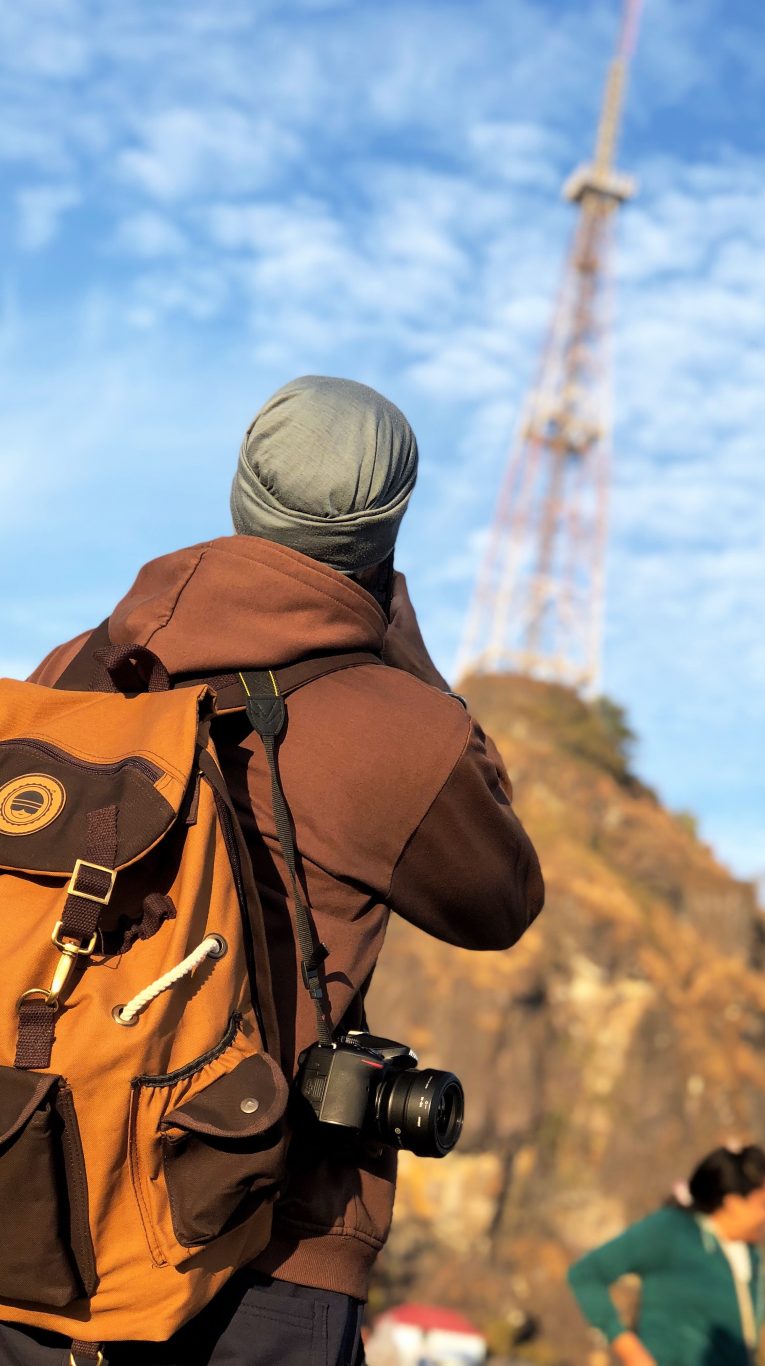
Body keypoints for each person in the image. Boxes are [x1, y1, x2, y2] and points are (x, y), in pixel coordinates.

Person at [2, 376, 545, 1365]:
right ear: (387, 529)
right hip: (268, 1241)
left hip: (36, 1204)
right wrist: (412, 661)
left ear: (241, 490)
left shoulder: (70, 674)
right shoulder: (401, 729)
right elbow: (501, 899)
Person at [567, 1144, 765, 1366]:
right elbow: (585, 1275)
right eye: (764, 1204)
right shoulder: (672, 1230)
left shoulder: (751, 1256)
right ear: (733, 1204)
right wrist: (633, 1353)